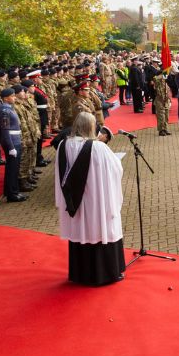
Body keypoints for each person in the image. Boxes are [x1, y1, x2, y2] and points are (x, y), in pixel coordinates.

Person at [55, 112, 126, 286]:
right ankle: (105, 274)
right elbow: (116, 169)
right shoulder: (98, 147)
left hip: (75, 202)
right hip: (95, 201)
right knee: (98, 230)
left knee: (80, 233)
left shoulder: (63, 145)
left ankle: (80, 274)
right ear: (91, 127)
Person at [0, 88, 27, 203]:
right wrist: (10, 147)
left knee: (13, 169)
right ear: (6, 98)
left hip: (15, 140)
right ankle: (12, 194)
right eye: (12, 96)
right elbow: (5, 130)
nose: (15, 97)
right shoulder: (5, 111)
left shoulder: (9, 109)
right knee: (12, 169)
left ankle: (11, 191)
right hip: (12, 142)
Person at [152, 69, 172, 136]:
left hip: (166, 100)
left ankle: (165, 129)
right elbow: (155, 78)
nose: (164, 76)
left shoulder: (165, 83)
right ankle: (161, 130)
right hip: (159, 100)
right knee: (161, 116)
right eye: (163, 75)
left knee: (166, 116)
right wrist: (163, 73)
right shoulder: (157, 81)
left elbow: (168, 92)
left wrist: (170, 100)